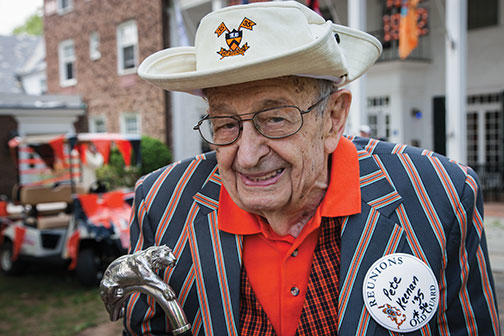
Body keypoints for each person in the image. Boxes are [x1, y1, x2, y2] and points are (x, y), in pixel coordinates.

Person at [124, 2, 499, 335]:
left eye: (274, 119)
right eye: (225, 124)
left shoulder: (439, 196)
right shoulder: (160, 204)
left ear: (333, 118)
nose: (248, 155)